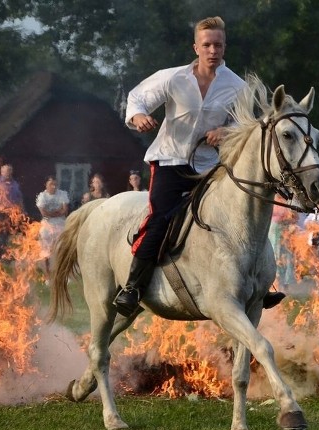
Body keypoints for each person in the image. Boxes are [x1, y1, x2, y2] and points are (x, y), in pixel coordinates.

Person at [116, 16, 282, 316]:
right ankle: (133, 286)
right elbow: (137, 98)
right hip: (170, 161)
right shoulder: (173, 78)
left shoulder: (237, 86)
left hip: (212, 165)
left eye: (218, 44)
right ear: (196, 47)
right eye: (207, 45)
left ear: (224, 46)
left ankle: (258, 284)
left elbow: (248, 128)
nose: (213, 50)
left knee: (241, 217)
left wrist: (226, 132)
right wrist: (138, 117)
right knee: (160, 219)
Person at [36, 176, 69, 283]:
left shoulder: (62, 194)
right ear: (46, 185)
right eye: (51, 184)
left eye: (55, 184)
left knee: (62, 250)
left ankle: (64, 275)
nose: (53, 186)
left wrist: (51, 214)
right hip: (46, 225)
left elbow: (65, 210)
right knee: (46, 251)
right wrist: (57, 212)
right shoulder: (42, 196)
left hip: (60, 224)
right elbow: (43, 213)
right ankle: (47, 276)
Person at [0, 163, 24, 262]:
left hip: (12, 213)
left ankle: (3, 254)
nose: (8, 173)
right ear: (1, 171)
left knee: (7, 233)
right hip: (0, 212)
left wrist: (22, 210)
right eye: (6, 171)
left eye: (9, 171)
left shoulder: (15, 184)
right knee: (1, 233)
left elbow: (19, 198)